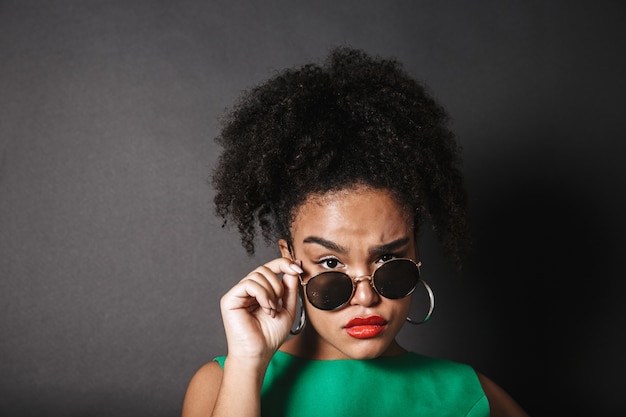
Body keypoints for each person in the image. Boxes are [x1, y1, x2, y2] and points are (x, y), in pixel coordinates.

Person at [181, 46, 528, 417]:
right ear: (290, 261)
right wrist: (248, 362)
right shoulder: (223, 385)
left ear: (415, 254)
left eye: (389, 258)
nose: (365, 298)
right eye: (331, 262)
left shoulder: (469, 397)